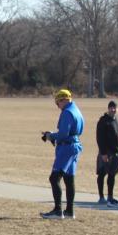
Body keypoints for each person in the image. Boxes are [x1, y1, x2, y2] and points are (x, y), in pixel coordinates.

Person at [41, 89, 84, 219]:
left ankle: (57, 210)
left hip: (67, 148)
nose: (57, 106)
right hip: (75, 146)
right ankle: (69, 211)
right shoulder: (76, 110)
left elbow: (63, 134)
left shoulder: (67, 112)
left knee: (54, 178)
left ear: (63, 100)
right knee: (69, 179)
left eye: (57, 103)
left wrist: (50, 136)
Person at [96, 100, 118, 206]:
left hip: (116, 152)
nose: (113, 110)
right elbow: (99, 138)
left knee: (112, 175)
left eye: (114, 108)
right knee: (102, 174)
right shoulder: (103, 121)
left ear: (117, 109)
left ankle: (110, 197)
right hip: (106, 152)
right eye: (111, 108)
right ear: (108, 109)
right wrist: (103, 153)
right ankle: (101, 197)